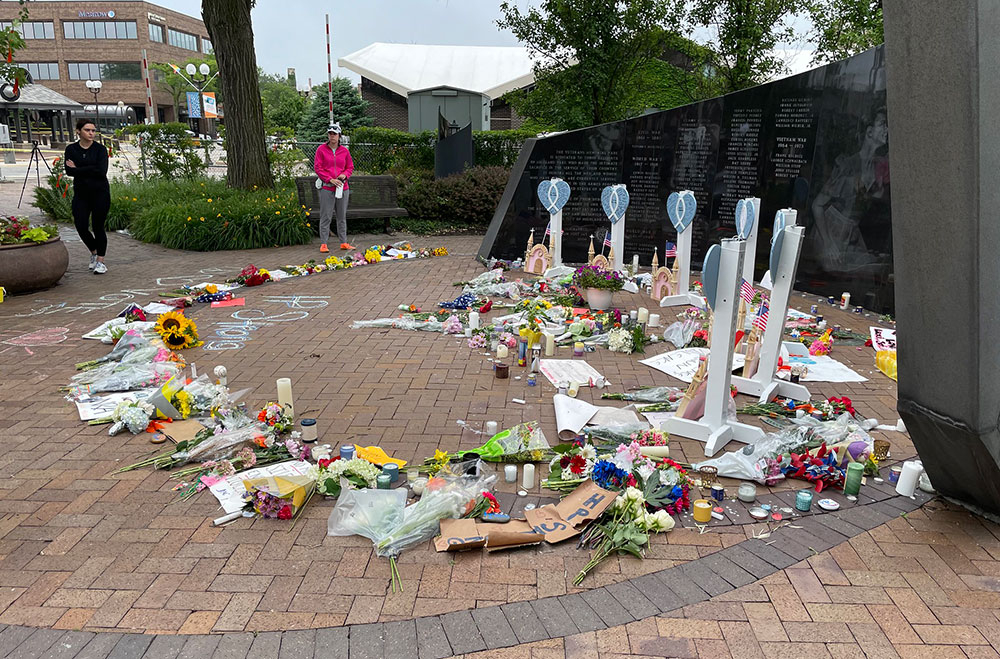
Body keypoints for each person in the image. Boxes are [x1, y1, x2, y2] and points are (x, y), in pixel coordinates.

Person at [64, 119, 111, 274]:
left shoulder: (100, 150)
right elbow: (69, 171)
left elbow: (101, 171)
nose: (91, 133)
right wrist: (88, 169)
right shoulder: (71, 149)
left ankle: (100, 261)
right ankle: (94, 252)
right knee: (81, 225)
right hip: (81, 194)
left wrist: (79, 168)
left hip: (100, 193)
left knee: (98, 226)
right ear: (78, 131)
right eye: (87, 130)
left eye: (93, 130)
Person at [313, 122, 355, 253]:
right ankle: (324, 244)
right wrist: (329, 179)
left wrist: (344, 175)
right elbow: (318, 167)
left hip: (342, 188)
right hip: (327, 187)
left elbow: (350, 167)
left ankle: (343, 242)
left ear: (339, 135)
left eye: (334, 134)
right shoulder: (321, 150)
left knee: (341, 216)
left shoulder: (345, 151)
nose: (332, 136)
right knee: (326, 216)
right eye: (330, 134)